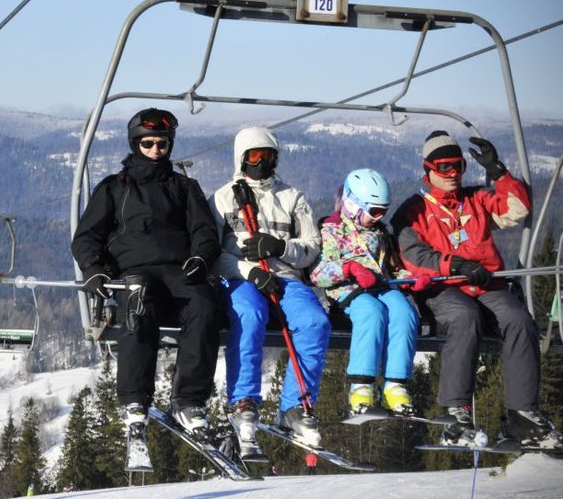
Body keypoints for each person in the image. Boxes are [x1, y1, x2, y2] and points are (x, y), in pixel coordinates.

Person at [391, 131, 561, 448]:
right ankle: (456, 413)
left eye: (458, 165)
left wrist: (497, 171)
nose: (453, 173)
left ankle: (522, 415)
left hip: (484, 283)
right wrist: (454, 265)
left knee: (519, 319)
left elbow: (517, 208)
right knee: (465, 317)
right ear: (427, 170)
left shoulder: (475, 200)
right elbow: (413, 255)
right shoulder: (414, 210)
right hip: (442, 287)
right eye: (444, 167)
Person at [71, 108, 221, 440]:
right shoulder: (115, 188)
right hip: (134, 272)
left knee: (205, 305)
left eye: (162, 145)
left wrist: (200, 258)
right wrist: (95, 271)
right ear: (135, 143)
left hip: (178, 271)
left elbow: (204, 232)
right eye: (149, 144)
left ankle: (189, 399)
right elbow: (86, 237)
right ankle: (135, 398)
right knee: (138, 301)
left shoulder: (184, 187)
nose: (156, 151)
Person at [209, 126, 329, 449]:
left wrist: (279, 248)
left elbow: (311, 246)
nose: (262, 163)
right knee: (249, 314)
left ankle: (293, 406)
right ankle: (243, 400)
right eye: (255, 156)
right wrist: (249, 271)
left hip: (285, 277)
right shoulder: (223, 198)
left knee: (314, 322)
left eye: (269, 156)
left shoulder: (292, 198)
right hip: (241, 279)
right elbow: (212, 254)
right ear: (242, 159)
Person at [310, 169, 425, 415]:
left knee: (405, 313)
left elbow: (391, 268)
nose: (379, 217)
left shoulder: (380, 232)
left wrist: (411, 279)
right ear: (353, 204)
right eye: (375, 211)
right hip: (349, 289)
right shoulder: (331, 229)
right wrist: (349, 268)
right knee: (371, 313)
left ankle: (396, 384)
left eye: (384, 210)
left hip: (381, 286)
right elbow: (318, 273)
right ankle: (361, 386)